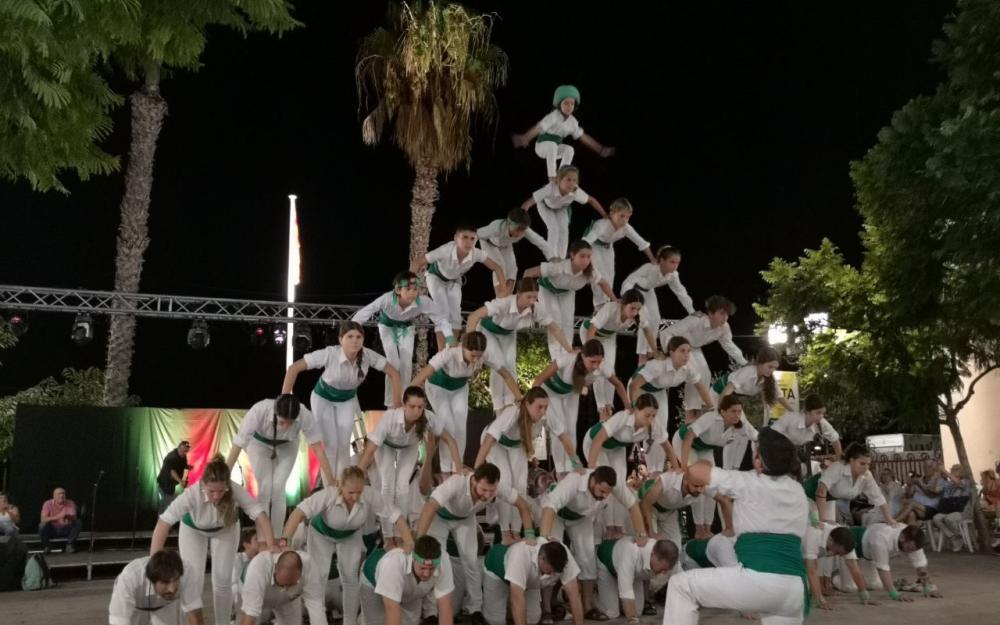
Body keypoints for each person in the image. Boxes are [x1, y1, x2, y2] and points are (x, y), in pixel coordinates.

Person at [663, 428, 810, 625]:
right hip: (795, 590)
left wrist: (696, 463)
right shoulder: (798, 491)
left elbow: (696, 472)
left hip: (759, 581)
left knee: (681, 586)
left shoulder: (747, 482)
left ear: (759, 461)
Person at [151, 455, 278, 625]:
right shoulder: (192, 494)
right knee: (192, 580)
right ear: (204, 485)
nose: (217, 496)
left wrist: (271, 545)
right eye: (212, 491)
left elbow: (260, 514)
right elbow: (164, 522)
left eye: (221, 490)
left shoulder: (235, 490)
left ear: (227, 486)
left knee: (223, 582)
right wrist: (155, 561)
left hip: (225, 530)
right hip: (193, 530)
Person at [282, 466, 414, 625]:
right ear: (340, 485)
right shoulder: (328, 494)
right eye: (351, 492)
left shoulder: (370, 494)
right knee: (319, 577)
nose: (355, 496)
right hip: (321, 533)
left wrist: (409, 541)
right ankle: (318, 620)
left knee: (350, 578)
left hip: (350, 535)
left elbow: (395, 515)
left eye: (359, 492)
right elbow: (298, 513)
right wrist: (285, 544)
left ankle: (349, 622)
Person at [416, 463, 536, 625]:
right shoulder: (457, 482)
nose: (487, 495)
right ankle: (431, 612)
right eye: (483, 490)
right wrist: (419, 544)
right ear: (474, 481)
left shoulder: (496, 488)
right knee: (439, 561)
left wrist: (529, 535)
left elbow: (522, 504)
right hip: (440, 517)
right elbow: (430, 506)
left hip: (465, 519)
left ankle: (475, 609)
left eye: (491, 491)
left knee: (471, 562)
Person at [282, 321, 403, 479]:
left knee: (344, 446)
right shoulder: (330, 353)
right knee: (331, 447)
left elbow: (394, 373)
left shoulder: (367, 355)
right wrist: (284, 400)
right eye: (350, 336)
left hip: (347, 400)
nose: (355, 340)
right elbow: (293, 368)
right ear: (341, 339)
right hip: (322, 399)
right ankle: (330, 490)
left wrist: (395, 404)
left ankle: (342, 488)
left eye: (359, 337)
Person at [355, 386, 464, 544]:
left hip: (409, 447)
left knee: (402, 487)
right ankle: (387, 536)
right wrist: (358, 475)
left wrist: (458, 470)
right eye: (412, 406)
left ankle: (400, 534)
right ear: (403, 405)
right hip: (385, 446)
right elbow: (371, 449)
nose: (416, 411)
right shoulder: (391, 417)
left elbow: (450, 440)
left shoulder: (428, 418)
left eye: (420, 407)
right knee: (387, 485)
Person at [539, 466, 648, 620]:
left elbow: (632, 505)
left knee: (587, 558)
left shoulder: (611, 484)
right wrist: (543, 540)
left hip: (580, 518)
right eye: (602, 492)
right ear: (593, 481)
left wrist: (641, 533)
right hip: (554, 514)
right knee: (552, 554)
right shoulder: (575, 480)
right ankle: (546, 609)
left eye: (608, 493)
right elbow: (550, 506)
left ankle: (587, 607)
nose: (605, 496)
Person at [410, 332, 522, 474]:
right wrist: (406, 398)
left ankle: (457, 467)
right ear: (463, 348)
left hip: (459, 388)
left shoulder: (485, 355)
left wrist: (519, 398)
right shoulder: (449, 353)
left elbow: (506, 374)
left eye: (479, 356)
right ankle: (446, 470)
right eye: (472, 355)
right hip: (437, 388)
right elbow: (422, 374)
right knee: (448, 425)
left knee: (461, 427)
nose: (476, 360)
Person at [225, 394, 335, 531]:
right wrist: (224, 475)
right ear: (275, 413)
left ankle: (277, 537)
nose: (286, 427)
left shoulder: (304, 414)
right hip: (259, 443)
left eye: (291, 423)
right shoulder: (259, 410)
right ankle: (263, 537)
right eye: (282, 422)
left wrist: (331, 482)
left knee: (278, 487)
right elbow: (238, 444)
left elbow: (319, 450)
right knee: (265, 488)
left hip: (288, 444)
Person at [466, 278, 574, 410]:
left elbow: (555, 328)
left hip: (508, 333)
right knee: (498, 363)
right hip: (488, 331)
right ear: (518, 294)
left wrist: (569, 349)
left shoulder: (536, 308)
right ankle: (499, 407)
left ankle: (512, 403)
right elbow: (473, 317)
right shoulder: (504, 303)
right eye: (529, 297)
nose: (532, 301)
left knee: (511, 365)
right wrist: (468, 343)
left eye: (535, 297)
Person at [351, 272, 452, 406]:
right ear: (398, 290)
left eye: (415, 289)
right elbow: (366, 312)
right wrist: (351, 331)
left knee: (406, 364)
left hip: (406, 328)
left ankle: (404, 399)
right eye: (408, 289)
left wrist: (450, 337)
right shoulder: (386, 299)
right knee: (393, 364)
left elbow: (441, 319)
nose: (412, 292)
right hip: (387, 327)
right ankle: (390, 402)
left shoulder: (423, 302)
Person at [532, 341, 629, 476]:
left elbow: (618, 385)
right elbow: (538, 379)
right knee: (559, 429)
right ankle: (561, 471)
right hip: (550, 393)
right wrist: (532, 402)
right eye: (592, 361)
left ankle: (572, 468)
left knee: (571, 430)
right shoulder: (567, 359)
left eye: (599, 362)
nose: (596, 366)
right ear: (583, 356)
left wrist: (629, 407)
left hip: (571, 393)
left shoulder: (603, 367)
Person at [674, 396, 757, 538]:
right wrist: (684, 466)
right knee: (698, 483)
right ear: (723, 412)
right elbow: (689, 437)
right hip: (685, 442)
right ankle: (699, 528)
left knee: (712, 485)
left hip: (705, 448)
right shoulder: (711, 418)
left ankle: (708, 527)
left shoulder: (741, 425)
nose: (737, 415)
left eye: (739, 411)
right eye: (733, 411)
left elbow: (757, 437)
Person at [413, 225, 508, 348]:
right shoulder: (445, 250)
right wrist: (411, 286)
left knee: (456, 316)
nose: (468, 242)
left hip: (454, 280)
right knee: (444, 312)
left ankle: (451, 348)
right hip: (435, 277)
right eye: (464, 237)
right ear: (456, 238)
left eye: (472, 239)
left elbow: (497, 268)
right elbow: (417, 262)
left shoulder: (476, 253)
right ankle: (442, 351)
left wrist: (503, 290)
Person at [628, 336, 713, 472]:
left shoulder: (689, 368)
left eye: (688, 351)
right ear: (672, 352)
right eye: (682, 351)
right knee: (648, 427)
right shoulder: (658, 365)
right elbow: (634, 385)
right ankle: (650, 469)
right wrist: (635, 409)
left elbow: (701, 388)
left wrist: (713, 408)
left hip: (658, 391)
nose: (686, 355)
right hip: (639, 389)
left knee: (660, 428)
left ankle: (657, 470)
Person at [474, 388, 550, 542]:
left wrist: (531, 456)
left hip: (515, 446)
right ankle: (505, 532)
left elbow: (527, 440)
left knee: (520, 485)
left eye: (545, 407)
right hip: (494, 443)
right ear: (527, 404)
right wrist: (477, 469)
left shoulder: (540, 420)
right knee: (506, 481)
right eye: (539, 407)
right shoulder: (513, 412)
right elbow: (490, 438)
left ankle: (516, 531)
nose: (542, 411)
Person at [659, 296, 747, 419]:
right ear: (710, 313)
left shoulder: (724, 327)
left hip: (693, 348)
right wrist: (670, 353)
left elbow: (729, 345)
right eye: (722, 313)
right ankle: (690, 414)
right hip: (678, 346)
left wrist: (744, 362)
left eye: (727, 314)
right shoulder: (695, 320)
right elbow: (666, 333)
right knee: (694, 373)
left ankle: (699, 411)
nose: (725, 318)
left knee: (705, 374)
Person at [524, 239, 616, 357]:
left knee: (567, 323)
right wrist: (529, 297)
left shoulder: (590, 272)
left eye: (589, 256)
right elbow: (528, 272)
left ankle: (568, 353)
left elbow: (603, 283)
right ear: (572, 255)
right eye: (582, 256)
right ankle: (556, 357)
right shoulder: (558, 266)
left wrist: (614, 299)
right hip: (547, 290)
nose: (586, 260)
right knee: (554, 320)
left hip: (567, 292)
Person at [584, 394, 660, 535]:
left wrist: (679, 467)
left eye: (654, 416)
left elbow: (666, 444)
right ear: (636, 410)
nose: (650, 420)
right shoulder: (622, 418)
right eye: (647, 415)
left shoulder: (653, 426)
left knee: (618, 484)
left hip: (616, 448)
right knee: (606, 482)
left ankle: (618, 527)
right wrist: (591, 470)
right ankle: (608, 528)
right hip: (594, 443)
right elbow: (597, 441)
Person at [512, 84, 615, 181]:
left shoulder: (573, 122)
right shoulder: (553, 116)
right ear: (559, 104)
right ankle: (552, 177)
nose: (569, 106)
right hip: (542, 147)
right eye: (566, 103)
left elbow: (584, 137)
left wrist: (600, 149)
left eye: (572, 104)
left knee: (569, 150)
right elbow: (539, 128)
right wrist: (526, 137)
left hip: (554, 149)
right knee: (552, 145)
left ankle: (561, 175)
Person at [581, 289, 659, 410]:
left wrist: (655, 351)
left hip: (608, 336)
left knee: (610, 370)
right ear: (623, 304)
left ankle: (609, 405)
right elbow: (592, 328)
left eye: (638, 309)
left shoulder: (639, 314)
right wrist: (588, 351)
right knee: (599, 367)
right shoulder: (611, 308)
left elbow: (648, 331)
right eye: (632, 308)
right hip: (590, 333)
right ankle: (601, 407)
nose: (635, 312)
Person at [638, 462, 731, 562]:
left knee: (676, 550)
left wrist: (729, 528)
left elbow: (724, 500)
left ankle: (674, 576)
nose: (699, 490)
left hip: (670, 512)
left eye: (702, 487)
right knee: (651, 545)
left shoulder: (701, 485)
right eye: (695, 486)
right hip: (651, 509)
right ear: (685, 479)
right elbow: (645, 504)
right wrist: (651, 532)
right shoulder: (667, 480)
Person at [481, 540, 584, 625]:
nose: (553, 574)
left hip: (527, 581)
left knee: (532, 619)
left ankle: (509, 610)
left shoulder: (564, 556)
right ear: (542, 559)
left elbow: (574, 595)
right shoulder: (520, 555)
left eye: (556, 571)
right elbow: (517, 600)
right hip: (496, 568)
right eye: (551, 570)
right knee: (495, 621)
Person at [620, 246, 695, 363]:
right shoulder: (649, 268)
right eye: (672, 262)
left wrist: (692, 312)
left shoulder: (673, 275)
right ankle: (642, 356)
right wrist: (626, 299)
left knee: (656, 318)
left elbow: (681, 293)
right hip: (635, 291)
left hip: (649, 291)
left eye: (677, 263)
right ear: (661, 261)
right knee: (645, 319)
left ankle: (651, 350)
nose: (675, 265)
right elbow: (629, 281)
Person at [360, 537, 455, 625]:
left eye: (431, 569)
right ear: (413, 559)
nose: (426, 574)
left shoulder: (444, 561)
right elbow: (392, 611)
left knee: (410, 622)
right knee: (375, 621)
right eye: (422, 568)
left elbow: (445, 607)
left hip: (409, 587)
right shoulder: (393, 564)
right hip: (373, 580)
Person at [581, 199, 656, 308]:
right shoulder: (602, 225)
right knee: (599, 275)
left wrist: (652, 259)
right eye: (622, 216)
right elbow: (587, 241)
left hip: (608, 248)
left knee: (610, 276)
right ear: (611, 213)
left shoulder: (627, 228)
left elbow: (642, 242)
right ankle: (598, 305)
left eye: (627, 217)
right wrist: (583, 258)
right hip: (593, 247)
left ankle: (607, 303)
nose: (625, 220)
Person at [521, 168, 607, 261]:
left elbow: (591, 200)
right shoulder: (550, 188)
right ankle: (552, 257)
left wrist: (605, 215)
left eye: (574, 180)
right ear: (559, 180)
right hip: (545, 206)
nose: (571, 183)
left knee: (564, 230)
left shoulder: (575, 191)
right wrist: (522, 215)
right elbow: (529, 202)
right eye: (568, 179)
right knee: (554, 228)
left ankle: (561, 258)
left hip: (561, 208)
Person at [805, 443, 896, 527]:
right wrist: (822, 519)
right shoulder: (838, 467)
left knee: (827, 528)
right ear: (851, 460)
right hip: (809, 494)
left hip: (827, 499)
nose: (866, 467)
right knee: (814, 525)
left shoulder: (867, 475)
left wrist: (890, 520)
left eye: (868, 464)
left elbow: (878, 497)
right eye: (862, 463)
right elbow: (821, 491)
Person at [109, 550, 204, 625]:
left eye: (176, 580)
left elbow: (194, 613)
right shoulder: (129, 579)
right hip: (135, 608)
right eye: (165, 582)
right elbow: (119, 620)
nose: (172, 589)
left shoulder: (187, 571)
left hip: (167, 605)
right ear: (152, 579)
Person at [477, 208, 555, 297]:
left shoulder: (525, 231)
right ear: (509, 223)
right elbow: (477, 234)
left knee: (513, 270)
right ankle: (500, 298)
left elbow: (540, 242)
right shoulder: (497, 227)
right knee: (500, 266)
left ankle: (507, 297)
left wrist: (553, 258)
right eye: (518, 229)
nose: (520, 233)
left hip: (506, 245)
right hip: (488, 243)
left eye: (523, 230)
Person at [594, 538, 678, 621]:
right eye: (662, 569)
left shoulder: (670, 560)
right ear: (653, 555)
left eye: (666, 570)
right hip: (606, 562)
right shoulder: (631, 552)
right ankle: (595, 593)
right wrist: (634, 622)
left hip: (633, 574)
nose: (664, 573)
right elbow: (626, 593)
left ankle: (614, 593)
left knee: (637, 612)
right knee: (612, 612)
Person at [852, 524, 942, 601]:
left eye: (913, 550)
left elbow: (921, 566)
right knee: (850, 587)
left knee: (874, 585)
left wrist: (927, 588)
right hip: (850, 547)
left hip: (868, 557)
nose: (911, 552)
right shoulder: (881, 540)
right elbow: (882, 569)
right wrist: (895, 594)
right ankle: (838, 573)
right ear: (902, 537)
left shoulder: (913, 539)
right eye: (909, 549)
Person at [238, 550, 327, 625]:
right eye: (282, 584)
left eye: (290, 584)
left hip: (288, 600)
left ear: (301, 573)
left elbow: (316, 607)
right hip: (254, 595)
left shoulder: (308, 565)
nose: (285, 589)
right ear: (276, 568)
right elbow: (250, 615)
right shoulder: (258, 568)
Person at [801, 523, 874, 610]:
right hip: (792, 550)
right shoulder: (812, 537)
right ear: (830, 540)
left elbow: (854, 568)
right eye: (838, 553)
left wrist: (864, 595)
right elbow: (811, 571)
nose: (838, 556)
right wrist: (820, 600)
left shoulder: (844, 539)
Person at [770, 394, 843, 458]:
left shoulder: (821, 423)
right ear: (806, 411)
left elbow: (835, 439)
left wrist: (839, 461)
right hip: (779, 452)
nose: (821, 416)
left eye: (823, 413)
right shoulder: (790, 418)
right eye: (818, 413)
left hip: (800, 455)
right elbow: (770, 435)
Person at [931, 464, 974, 552]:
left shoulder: (966, 482)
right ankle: (954, 537)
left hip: (962, 512)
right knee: (936, 518)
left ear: (961, 472)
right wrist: (936, 478)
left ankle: (958, 537)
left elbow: (958, 483)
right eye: (952, 470)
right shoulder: (948, 484)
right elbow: (935, 490)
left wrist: (944, 471)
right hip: (949, 510)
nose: (952, 472)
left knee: (949, 518)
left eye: (955, 470)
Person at [39, 486, 82, 554]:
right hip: (53, 530)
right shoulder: (47, 503)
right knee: (42, 525)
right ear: (54, 496)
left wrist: (68, 517)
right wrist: (58, 517)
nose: (61, 495)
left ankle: (69, 545)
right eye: (59, 494)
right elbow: (43, 519)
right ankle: (46, 546)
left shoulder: (70, 503)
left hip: (66, 529)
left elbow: (74, 517)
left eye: (63, 493)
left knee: (78, 522)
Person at [157, 441, 193, 514]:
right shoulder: (171, 457)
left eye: (186, 451)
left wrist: (188, 467)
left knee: (168, 503)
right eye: (183, 451)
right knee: (165, 505)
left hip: (171, 485)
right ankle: (161, 520)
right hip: (164, 484)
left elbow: (184, 466)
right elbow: (172, 472)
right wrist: (181, 481)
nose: (185, 453)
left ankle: (164, 520)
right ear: (179, 448)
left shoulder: (183, 456)